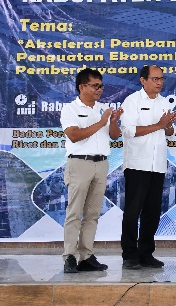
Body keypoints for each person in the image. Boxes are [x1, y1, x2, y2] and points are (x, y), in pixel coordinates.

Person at [60, 68, 122, 273]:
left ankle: (86, 256)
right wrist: (102, 121)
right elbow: (74, 135)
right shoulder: (70, 109)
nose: (99, 90)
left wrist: (112, 122)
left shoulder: (103, 109)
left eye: (101, 86)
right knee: (74, 213)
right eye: (95, 86)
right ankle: (69, 256)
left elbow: (115, 136)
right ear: (82, 87)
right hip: (79, 164)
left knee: (92, 214)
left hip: (101, 164)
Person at [119, 64, 176, 270]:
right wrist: (160, 125)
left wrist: (168, 125)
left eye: (161, 79)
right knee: (132, 211)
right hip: (137, 164)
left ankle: (146, 253)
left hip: (158, 165)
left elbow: (169, 132)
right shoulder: (132, 101)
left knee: (152, 212)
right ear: (143, 80)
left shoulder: (164, 102)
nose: (159, 83)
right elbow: (128, 131)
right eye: (155, 79)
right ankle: (129, 254)